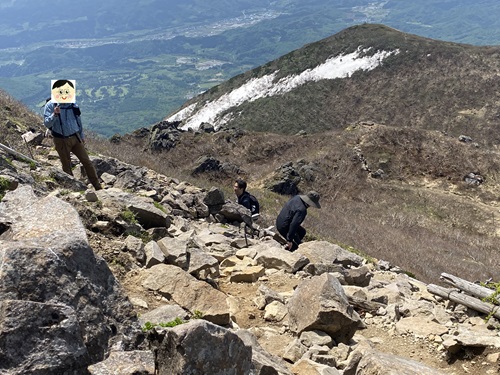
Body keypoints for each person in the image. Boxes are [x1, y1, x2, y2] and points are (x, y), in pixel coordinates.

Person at [44, 80, 102, 190]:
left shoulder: (73, 104)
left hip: (75, 137)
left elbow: (78, 120)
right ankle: (74, 188)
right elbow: (47, 123)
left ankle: (97, 186)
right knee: (66, 165)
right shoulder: (50, 105)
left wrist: (81, 136)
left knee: (87, 161)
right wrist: (54, 114)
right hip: (60, 139)